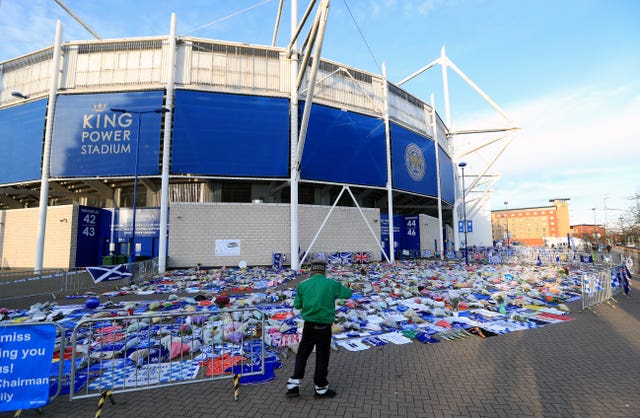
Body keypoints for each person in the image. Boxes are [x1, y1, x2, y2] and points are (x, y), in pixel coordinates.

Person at [286, 261, 352, 399]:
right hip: (324, 327)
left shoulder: (303, 285)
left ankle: (293, 386)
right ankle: (320, 389)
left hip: (309, 326)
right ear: (324, 271)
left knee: (302, 354)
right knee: (322, 356)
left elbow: (297, 305)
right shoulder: (332, 284)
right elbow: (348, 294)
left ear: (312, 271)